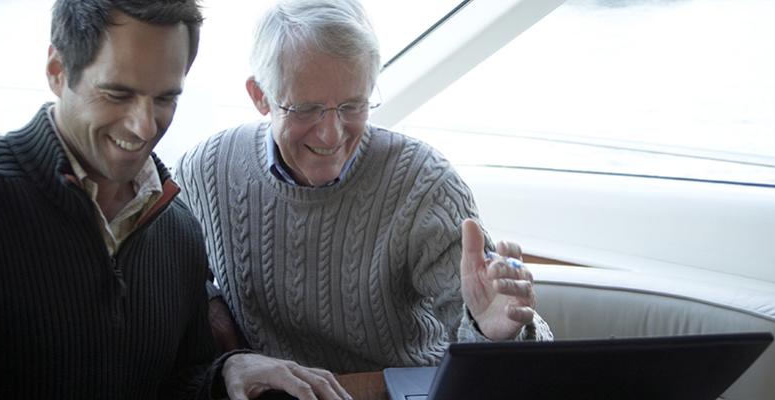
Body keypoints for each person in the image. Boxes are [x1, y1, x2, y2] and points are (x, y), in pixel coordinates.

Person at [0, 1, 348, 399]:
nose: (144, 126)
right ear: (57, 70)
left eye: (165, 97)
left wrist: (224, 373)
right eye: (117, 93)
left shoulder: (179, 230)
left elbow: (176, 382)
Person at [176, 0, 553, 375]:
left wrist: (498, 334)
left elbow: (506, 353)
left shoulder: (424, 184)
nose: (331, 133)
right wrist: (208, 302)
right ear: (261, 96)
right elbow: (169, 279)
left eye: (352, 106)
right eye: (306, 109)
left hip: (397, 386)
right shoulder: (205, 171)